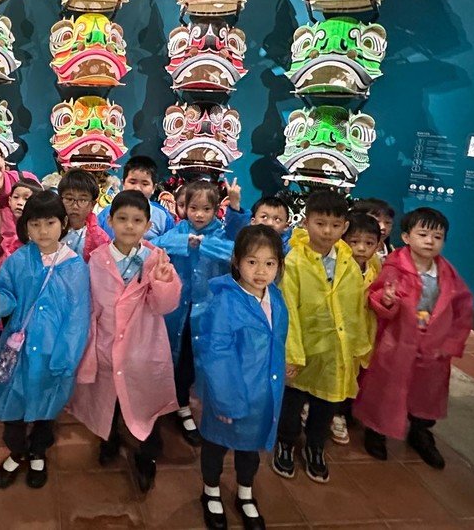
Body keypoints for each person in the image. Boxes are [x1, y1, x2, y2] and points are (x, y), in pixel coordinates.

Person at [69, 191, 182, 494]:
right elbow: (90, 305)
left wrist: (163, 281)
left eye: (137, 220)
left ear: (147, 225)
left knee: (144, 404)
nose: (129, 226)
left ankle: (146, 456)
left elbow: (164, 306)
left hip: (143, 350)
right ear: (110, 220)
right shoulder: (97, 259)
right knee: (110, 401)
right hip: (106, 347)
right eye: (122, 219)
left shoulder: (157, 259)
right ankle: (109, 441)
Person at [0, 191, 91, 490]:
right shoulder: (18, 260)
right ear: (26, 226)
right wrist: (0, 303)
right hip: (18, 352)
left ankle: (38, 452)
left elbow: (77, 318)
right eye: (35, 224)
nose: (43, 231)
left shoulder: (75, 266)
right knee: (12, 408)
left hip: (52, 354)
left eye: (50, 223)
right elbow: (7, 292)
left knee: (46, 408)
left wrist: (65, 358)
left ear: (63, 223)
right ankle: (17, 452)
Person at [354, 208, 473, 469]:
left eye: (437, 237)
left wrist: (451, 342)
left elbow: (462, 308)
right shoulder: (395, 266)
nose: (430, 241)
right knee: (387, 388)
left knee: (426, 392)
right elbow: (376, 296)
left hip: (433, 345)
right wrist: (387, 301)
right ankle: (376, 430)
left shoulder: (447, 274)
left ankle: (421, 430)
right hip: (397, 341)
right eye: (423, 234)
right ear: (407, 237)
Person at [193, 225, 288, 530]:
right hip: (230, 395)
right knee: (216, 445)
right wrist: (226, 401)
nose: (261, 271)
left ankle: (245, 492)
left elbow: (278, 340)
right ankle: (210, 491)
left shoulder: (275, 298)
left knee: (250, 449)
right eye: (252, 261)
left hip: (262, 395)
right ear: (236, 261)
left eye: (269, 263)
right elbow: (217, 353)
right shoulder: (225, 302)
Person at [273, 190, 370, 484]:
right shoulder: (293, 263)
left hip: (334, 352)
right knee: (292, 405)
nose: (327, 231)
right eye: (320, 223)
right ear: (306, 223)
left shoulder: (349, 263)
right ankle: (286, 443)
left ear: (345, 227)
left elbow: (356, 308)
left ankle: (315, 447)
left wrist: (358, 347)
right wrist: (292, 354)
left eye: (335, 225)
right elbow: (287, 309)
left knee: (325, 406)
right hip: (303, 351)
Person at [152, 180, 234, 447]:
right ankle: (173, 404)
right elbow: (155, 245)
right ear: (183, 208)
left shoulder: (221, 234)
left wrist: (203, 245)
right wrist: (184, 243)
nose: (199, 214)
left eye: (206, 209)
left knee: (198, 362)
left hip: (207, 314)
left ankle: (190, 405)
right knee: (172, 359)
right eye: (193, 208)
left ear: (215, 210)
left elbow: (234, 253)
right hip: (176, 311)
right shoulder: (178, 231)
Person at [329, 212, 383, 446]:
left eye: (369, 243)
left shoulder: (375, 266)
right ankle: (334, 413)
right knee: (336, 371)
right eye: (355, 242)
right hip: (338, 331)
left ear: (378, 245)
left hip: (363, 331)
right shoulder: (336, 265)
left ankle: (343, 411)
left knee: (355, 373)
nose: (361, 248)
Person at [97, 155, 176, 241]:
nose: (137, 188)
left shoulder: (163, 216)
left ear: (153, 188)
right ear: (123, 184)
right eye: (132, 182)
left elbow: (171, 244)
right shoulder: (107, 213)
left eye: (145, 184)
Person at [223, 180, 293, 253]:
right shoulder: (243, 242)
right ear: (253, 221)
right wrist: (234, 203)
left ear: (286, 227)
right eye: (264, 217)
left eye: (277, 219)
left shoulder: (291, 251)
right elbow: (235, 231)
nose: (269, 223)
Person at [58, 168, 110, 262]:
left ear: (92, 205)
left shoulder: (100, 238)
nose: (75, 206)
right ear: (60, 200)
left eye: (83, 200)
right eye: (69, 199)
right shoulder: (51, 227)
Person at [0, 178, 44, 267]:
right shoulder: (3, 215)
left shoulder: (40, 223)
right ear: (9, 200)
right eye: (16, 197)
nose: (19, 202)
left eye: (26, 199)